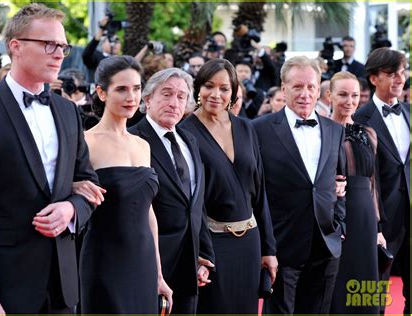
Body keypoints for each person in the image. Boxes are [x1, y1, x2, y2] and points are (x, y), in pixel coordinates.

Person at [0, 4, 103, 314]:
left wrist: (71, 208)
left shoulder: (68, 112)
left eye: (62, 45)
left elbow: (90, 186)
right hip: (4, 288)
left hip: (63, 287)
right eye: (49, 44)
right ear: (15, 47)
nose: (59, 53)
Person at [73, 56, 172, 314]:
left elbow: (148, 212)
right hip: (104, 261)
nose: (131, 97)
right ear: (101, 93)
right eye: (122, 89)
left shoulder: (143, 144)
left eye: (137, 89)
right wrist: (73, 188)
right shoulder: (86, 142)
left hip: (143, 262)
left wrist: (159, 274)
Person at [180, 59, 278, 314]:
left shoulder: (245, 127)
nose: (216, 94)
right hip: (211, 244)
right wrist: (201, 251)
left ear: (234, 93)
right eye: (209, 86)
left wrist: (269, 249)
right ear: (198, 88)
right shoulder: (184, 131)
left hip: (250, 242)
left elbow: (260, 192)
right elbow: (192, 201)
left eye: (224, 88)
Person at [252, 56, 346, 314]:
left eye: (311, 87)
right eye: (297, 87)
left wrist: (340, 223)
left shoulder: (334, 130)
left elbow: (339, 180)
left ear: (319, 90)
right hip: (281, 244)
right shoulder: (259, 129)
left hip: (326, 243)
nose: (305, 94)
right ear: (283, 88)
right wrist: (265, 244)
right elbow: (254, 190)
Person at [129, 67, 215, 314]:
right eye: (166, 94)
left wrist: (204, 255)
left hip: (190, 267)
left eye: (181, 96)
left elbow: (197, 203)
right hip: (148, 263)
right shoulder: (134, 140)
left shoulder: (190, 141)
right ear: (147, 99)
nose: (174, 102)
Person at [353, 47, 410, 315]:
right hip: (381, 221)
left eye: (403, 71)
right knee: (372, 295)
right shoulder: (358, 119)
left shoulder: (409, 112)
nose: (400, 78)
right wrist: (372, 224)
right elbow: (362, 175)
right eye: (392, 73)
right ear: (374, 79)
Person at [328, 71, 386, 314]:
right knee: (337, 281)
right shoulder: (322, 130)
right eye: (342, 94)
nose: (349, 101)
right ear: (329, 96)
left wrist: (379, 228)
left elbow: (375, 184)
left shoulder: (369, 133)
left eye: (354, 95)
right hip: (334, 216)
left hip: (364, 218)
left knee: (364, 282)